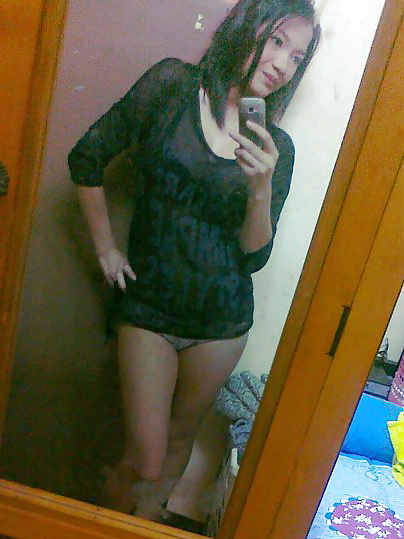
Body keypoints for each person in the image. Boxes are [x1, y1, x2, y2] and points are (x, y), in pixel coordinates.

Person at [68, 0, 320, 522]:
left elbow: (254, 257)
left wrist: (260, 188)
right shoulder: (173, 86)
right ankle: (109, 516)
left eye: (297, 57)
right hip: (149, 310)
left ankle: (146, 521)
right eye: (277, 41)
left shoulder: (276, 148)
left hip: (221, 323)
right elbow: (86, 156)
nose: (283, 64)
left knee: (180, 439)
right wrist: (106, 248)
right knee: (146, 456)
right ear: (247, 27)